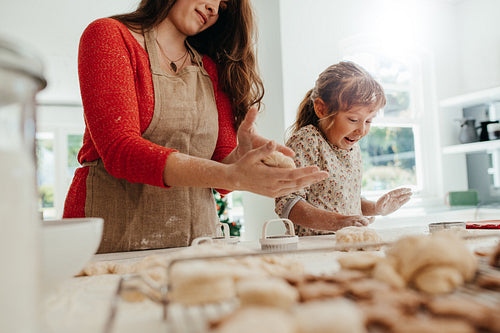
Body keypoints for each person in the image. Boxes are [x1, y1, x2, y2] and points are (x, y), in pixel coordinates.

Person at [63, 0, 328, 253]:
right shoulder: (110, 36)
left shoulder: (210, 69)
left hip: (195, 244)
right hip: (110, 238)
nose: (214, 8)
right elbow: (120, 151)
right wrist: (232, 174)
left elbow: (221, 172)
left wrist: (241, 156)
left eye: (223, 5)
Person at [275, 61, 412, 236]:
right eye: (353, 119)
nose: (362, 130)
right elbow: (288, 205)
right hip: (311, 248)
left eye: (369, 121)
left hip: (344, 243)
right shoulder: (308, 140)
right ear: (321, 109)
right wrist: (340, 223)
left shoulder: (352, 148)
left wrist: (376, 207)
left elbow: (346, 201)